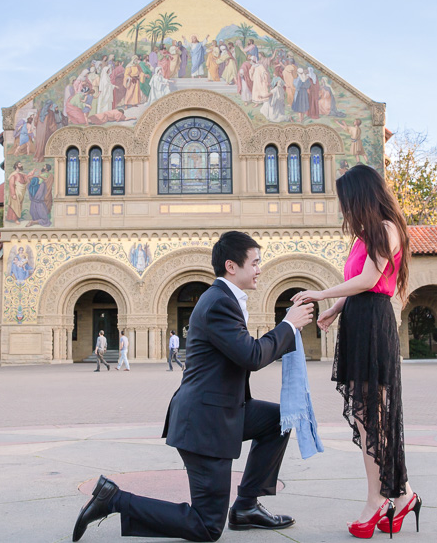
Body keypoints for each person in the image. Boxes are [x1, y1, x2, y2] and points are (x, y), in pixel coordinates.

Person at [72, 231, 315, 542]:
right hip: (204, 424)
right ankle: (114, 500)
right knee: (207, 526)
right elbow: (252, 356)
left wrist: (289, 327)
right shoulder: (218, 303)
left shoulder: (225, 300)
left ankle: (246, 507)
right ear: (231, 266)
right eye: (254, 263)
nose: (259, 269)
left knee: (279, 421)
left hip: (223, 411)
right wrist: (289, 324)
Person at [293, 165, 419, 538]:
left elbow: (369, 280)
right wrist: (335, 308)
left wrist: (320, 294)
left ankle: (377, 499)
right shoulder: (366, 236)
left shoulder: (387, 229)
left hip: (373, 325)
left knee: (372, 418)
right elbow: (357, 285)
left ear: (361, 196)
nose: (343, 208)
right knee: (369, 419)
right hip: (359, 321)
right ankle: (403, 495)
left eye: (345, 200)